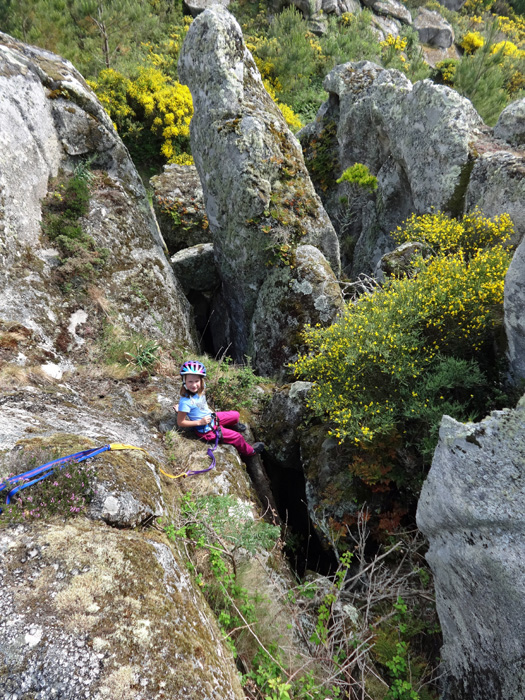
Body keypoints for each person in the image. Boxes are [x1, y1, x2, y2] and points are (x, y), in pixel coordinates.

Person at [176, 360, 265, 458]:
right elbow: (181, 422)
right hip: (206, 430)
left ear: (201, 381)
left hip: (212, 417)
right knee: (237, 437)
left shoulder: (200, 389)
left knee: (236, 415)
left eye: (196, 381)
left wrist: (180, 408)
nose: (194, 385)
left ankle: (231, 425)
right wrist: (199, 422)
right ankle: (250, 452)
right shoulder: (185, 402)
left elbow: (195, 404)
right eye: (190, 381)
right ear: (184, 381)